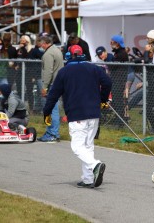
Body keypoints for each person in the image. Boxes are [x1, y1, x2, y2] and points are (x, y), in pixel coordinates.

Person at [43, 44, 112, 188]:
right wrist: (103, 99)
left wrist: (47, 112)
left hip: (77, 114)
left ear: (69, 55)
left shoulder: (64, 72)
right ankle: (88, 179)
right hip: (94, 113)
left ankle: (95, 165)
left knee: (77, 146)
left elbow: (53, 95)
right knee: (88, 145)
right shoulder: (94, 68)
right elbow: (107, 82)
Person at [36, 35, 64, 143]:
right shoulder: (57, 50)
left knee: (51, 109)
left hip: (52, 84)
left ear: (44, 43)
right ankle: (53, 133)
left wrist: (44, 87)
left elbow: (48, 71)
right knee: (54, 109)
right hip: (58, 83)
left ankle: (52, 133)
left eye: (40, 44)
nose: (39, 46)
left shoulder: (48, 54)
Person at [109, 35, 129, 126]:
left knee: (118, 100)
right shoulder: (117, 52)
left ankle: (120, 120)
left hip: (119, 79)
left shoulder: (122, 53)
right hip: (116, 78)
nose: (110, 43)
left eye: (112, 41)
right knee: (115, 100)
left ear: (117, 43)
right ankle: (118, 118)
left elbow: (113, 65)